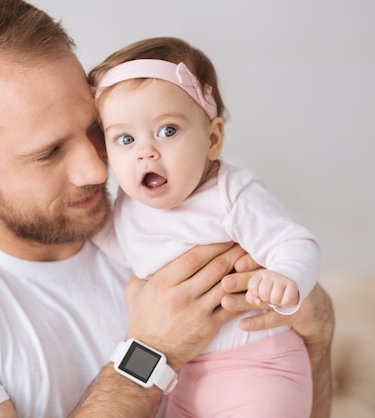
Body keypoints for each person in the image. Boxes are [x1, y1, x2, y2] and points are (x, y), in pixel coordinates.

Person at [0, 1, 334, 417]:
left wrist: (318, 338)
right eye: (49, 152)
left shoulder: (154, 223)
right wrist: (151, 353)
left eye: (98, 130)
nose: (97, 169)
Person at [89, 37, 321, 417]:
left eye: (167, 131)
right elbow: (111, 240)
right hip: (182, 376)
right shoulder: (128, 207)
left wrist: (285, 275)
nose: (146, 151)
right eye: (125, 139)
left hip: (259, 367)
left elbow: (294, 241)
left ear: (212, 139)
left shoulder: (231, 192)